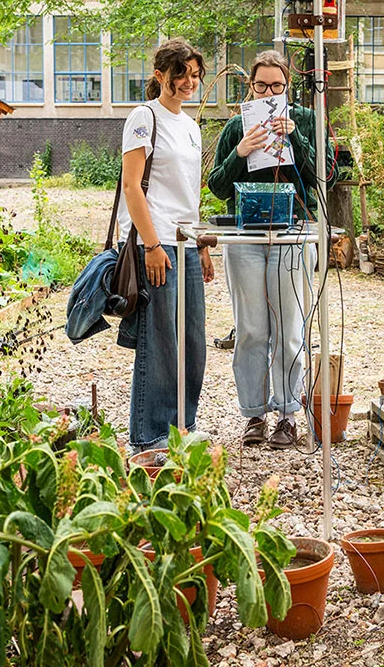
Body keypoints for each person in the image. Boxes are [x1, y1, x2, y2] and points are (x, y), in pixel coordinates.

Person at [207, 50, 333, 449]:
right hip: (245, 240)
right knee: (251, 329)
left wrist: (296, 136)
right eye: (261, 86)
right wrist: (240, 150)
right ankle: (254, 415)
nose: (268, 92)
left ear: (288, 88)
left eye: (276, 86)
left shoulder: (309, 121)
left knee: (290, 328)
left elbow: (326, 176)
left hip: (293, 235)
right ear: (251, 87)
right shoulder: (235, 126)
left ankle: (288, 414)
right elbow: (217, 186)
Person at [116, 38, 214, 455]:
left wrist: (202, 241)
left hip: (187, 245)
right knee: (159, 344)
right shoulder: (144, 117)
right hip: (154, 245)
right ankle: (149, 437)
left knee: (192, 341)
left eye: (194, 74)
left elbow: (189, 192)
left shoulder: (191, 127)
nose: (189, 82)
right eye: (182, 75)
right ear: (160, 76)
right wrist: (153, 244)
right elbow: (131, 187)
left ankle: (182, 427)